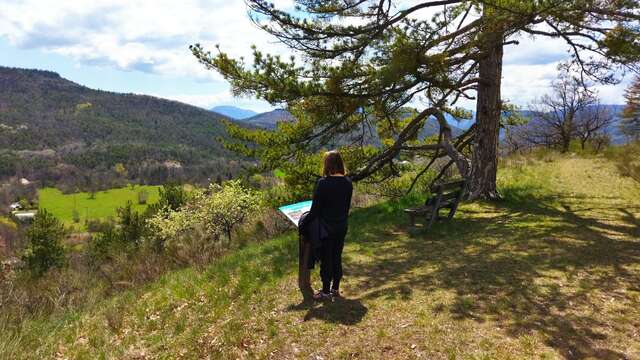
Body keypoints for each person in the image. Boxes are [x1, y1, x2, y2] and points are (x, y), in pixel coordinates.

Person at [308, 150, 353, 300]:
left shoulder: (323, 183)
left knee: (326, 258)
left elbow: (315, 210)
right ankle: (335, 288)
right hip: (342, 225)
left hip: (326, 227)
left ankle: (325, 291)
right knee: (337, 256)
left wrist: (304, 224)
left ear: (327, 164)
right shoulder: (348, 182)